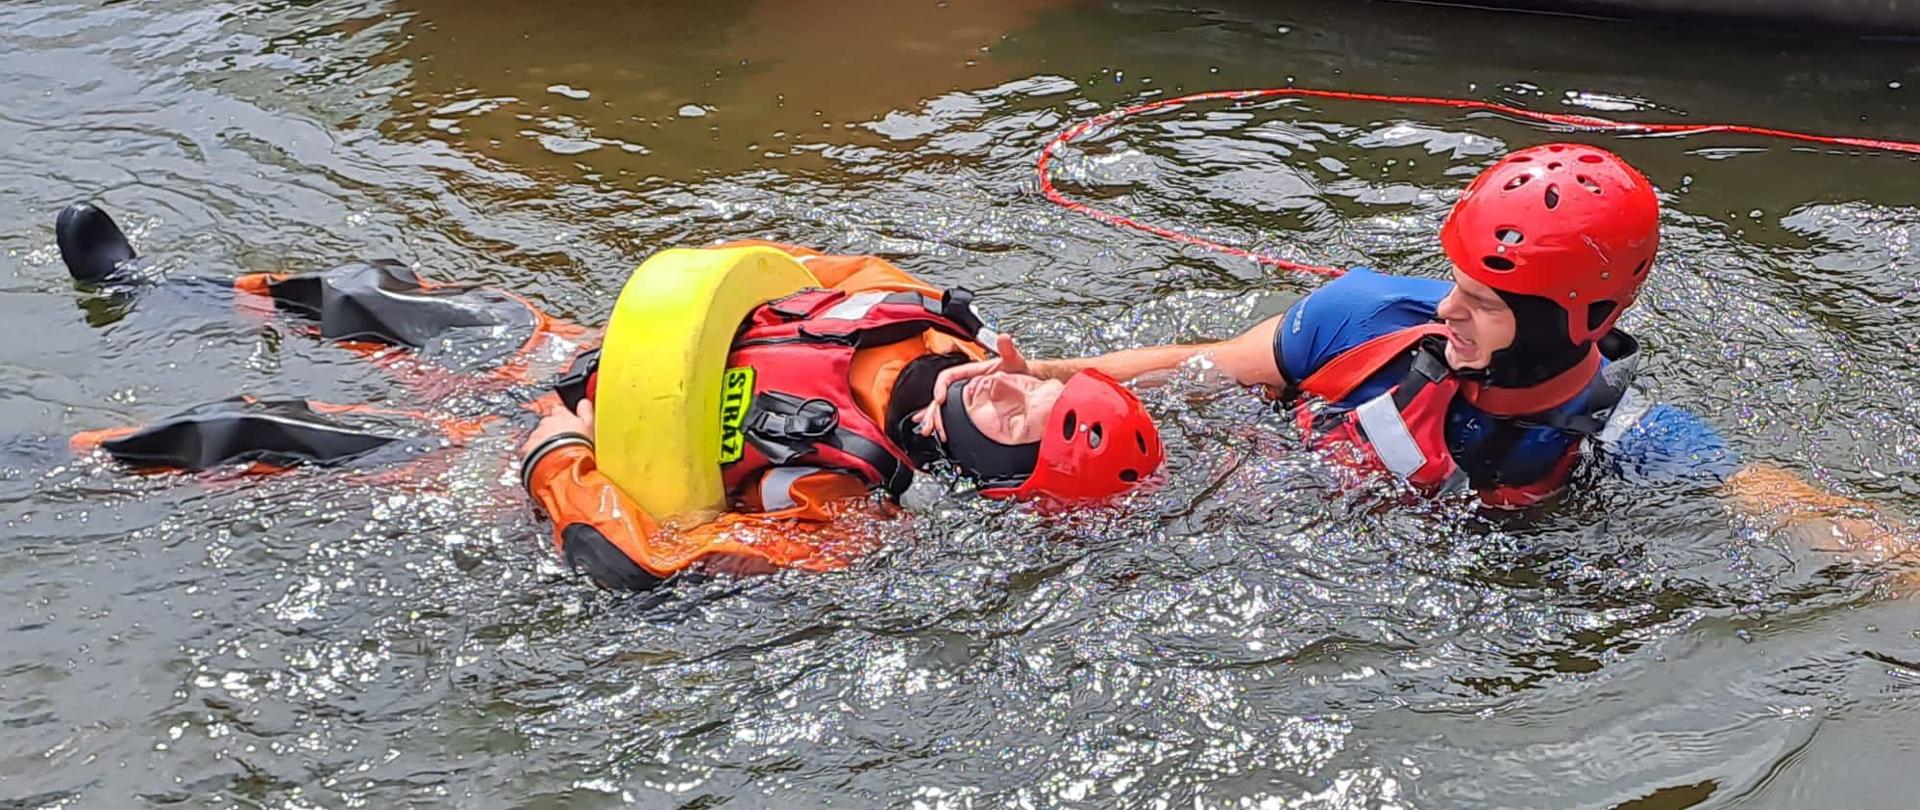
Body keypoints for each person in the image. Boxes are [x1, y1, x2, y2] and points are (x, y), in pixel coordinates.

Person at [56, 203, 1166, 591]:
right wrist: (633, 344)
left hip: (542, 458)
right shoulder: (911, 304)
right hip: (594, 356)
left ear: (984, 466)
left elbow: (642, 560)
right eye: (1041, 379)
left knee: (264, 436)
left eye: (1019, 416)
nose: (1012, 381)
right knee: (374, 296)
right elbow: (778, 274)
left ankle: (57, 454)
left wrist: (555, 451)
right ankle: (153, 289)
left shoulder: (842, 513)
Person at [918, 143, 1908, 551]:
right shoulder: (1362, 318)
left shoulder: (1612, 440)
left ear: (1580, 319)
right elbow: (1211, 365)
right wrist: (1047, 376)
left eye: (1485, 301)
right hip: (1247, 496)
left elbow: (1779, 498)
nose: (1449, 311)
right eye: (1457, 283)